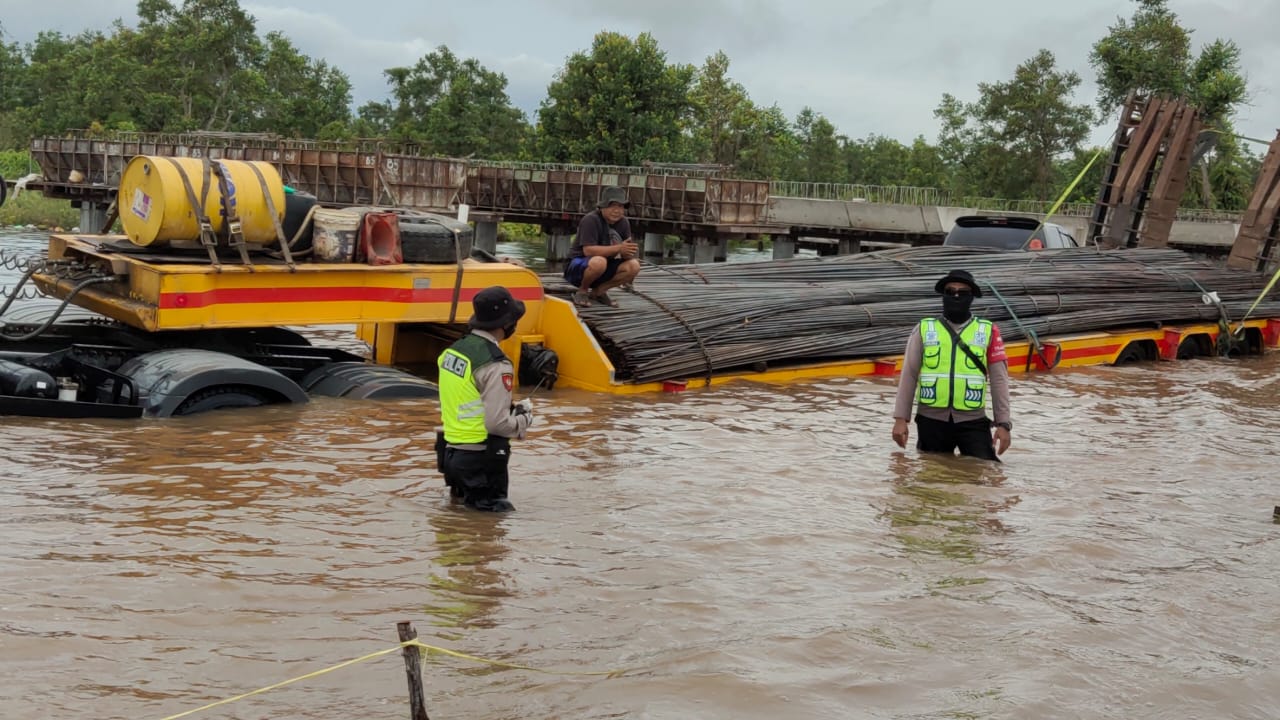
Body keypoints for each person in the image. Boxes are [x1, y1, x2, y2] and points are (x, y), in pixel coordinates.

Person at [891, 269, 1012, 460]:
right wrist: (900, 419)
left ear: (972, 297)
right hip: (931, 421)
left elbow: (999, 380)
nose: (956, 296)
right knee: (932, 471)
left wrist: (1003, 424)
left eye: (962, 293)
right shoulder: (924, 329)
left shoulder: (989, 331)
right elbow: (909, 375)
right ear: (943, 296)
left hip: (973, 420)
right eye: (950, 292)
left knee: (986, 469)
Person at [436, 286, 535, 512]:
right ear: (506, 324)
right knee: (493, 526)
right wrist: (523, 420)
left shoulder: (452, 352)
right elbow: (497, 424)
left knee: (458, 525)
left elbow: (466, 398)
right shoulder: (496, 364)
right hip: (480, 458)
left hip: (450, 454)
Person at [564, 186, 641, 308]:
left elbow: (626, 250)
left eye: (621, 206)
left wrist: (628, 252)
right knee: (599, 262)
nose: (617, 210)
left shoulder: (624, 223)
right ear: (603, 206)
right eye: (613, 206)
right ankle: (582, 291)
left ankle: (599, 291)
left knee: (634, 266)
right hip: (579, 267)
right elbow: (588, 251)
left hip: (604, 267)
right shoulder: (590, 220)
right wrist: (619, 248)